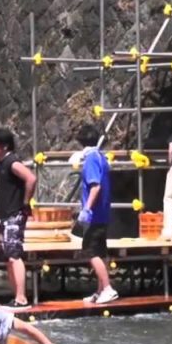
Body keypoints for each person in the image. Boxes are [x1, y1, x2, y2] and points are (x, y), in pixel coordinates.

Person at [0, 128, 37, 309]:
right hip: (3, 215)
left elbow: (31, 178)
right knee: (7, 257)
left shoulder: (12, 162)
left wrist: (25, 202)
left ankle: (22, 298)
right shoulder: (0, 163)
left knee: (15, 255)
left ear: (4, 146)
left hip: (14, 214)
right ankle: (16, 295)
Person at [74, 124, 119, 304]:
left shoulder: (91, 159)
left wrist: (87, 209)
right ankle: (100, 291)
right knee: (100, 252)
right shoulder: (101, 156)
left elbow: (95, 186)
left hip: (95, 214)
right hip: (103, 213)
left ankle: (107, 288)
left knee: (90, 251)